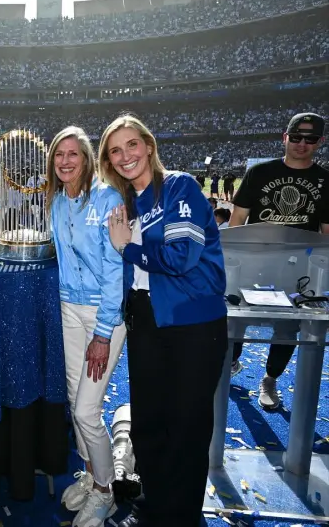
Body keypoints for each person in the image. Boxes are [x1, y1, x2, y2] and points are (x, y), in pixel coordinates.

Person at [102, 115, 227, 527]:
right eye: (115, 150)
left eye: (132, 145)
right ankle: (151, 506)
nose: (125, 156)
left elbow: (181, 258)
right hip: (146, 321)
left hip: (193, 325)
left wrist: (127, 249)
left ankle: (182, 515)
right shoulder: (126, 202)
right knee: (151, 420)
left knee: (186, 425)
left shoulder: (180, 186)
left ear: (150, 146)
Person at [47, 126, 126, 527]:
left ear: (87, 157)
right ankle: (93, 473)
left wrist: (103, 332)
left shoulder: (109, 198)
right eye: (59, 155)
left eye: (72, 154)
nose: (65, 161)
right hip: (68, 310)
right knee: (75, 400)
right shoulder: (57, 201)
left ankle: (105, 492)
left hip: (102, 316)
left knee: (86, 410)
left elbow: (116, 272)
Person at [228, 112, 327, 409]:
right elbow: (237, 221)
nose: (301, 144)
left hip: (300, 267)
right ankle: (231, 362)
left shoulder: (326, 180)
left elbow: (325, 233)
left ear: (320, 142)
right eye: (296, 137)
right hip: (255, 260)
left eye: (310, 139)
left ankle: (270, 379)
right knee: (238, 320)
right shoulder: (259, 173)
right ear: (285, 137)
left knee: (287, 328)